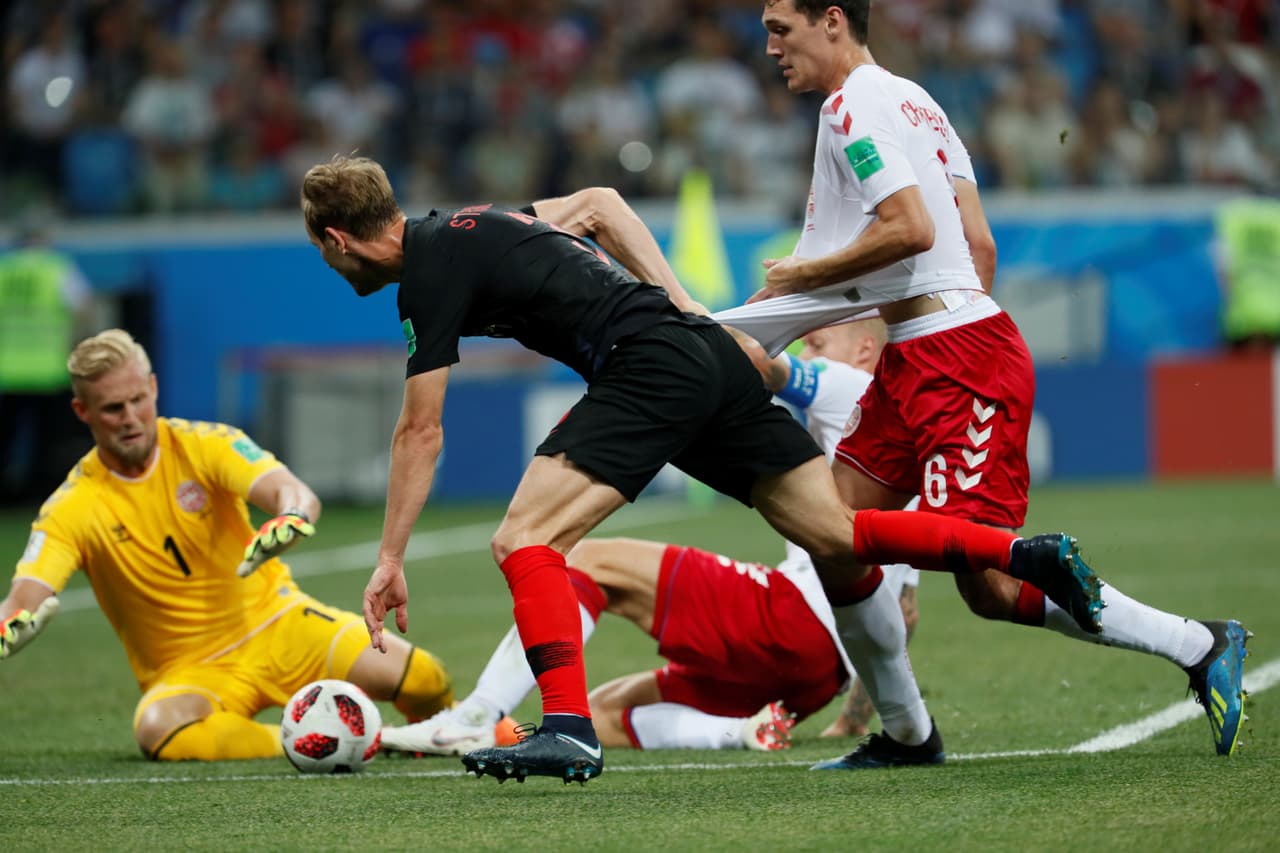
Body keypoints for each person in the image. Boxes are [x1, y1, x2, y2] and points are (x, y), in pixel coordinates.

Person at [300, 155, 1102, 785]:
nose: (336, 272)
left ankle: (569, 730)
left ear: (338, 241)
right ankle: (1016, 554)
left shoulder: (426, 274)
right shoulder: (482, 221)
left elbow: (420, 429)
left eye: (327, 257)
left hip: (644, 364)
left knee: (524, 538)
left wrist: (391, 558)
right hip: (706, 356)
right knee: (834, 532)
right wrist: (686, 306)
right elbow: (602, 206)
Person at [713, 0, 1250, 764]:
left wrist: (815, 279)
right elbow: (978, 242)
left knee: (989, 583)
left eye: (779, 28)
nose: (767, 47)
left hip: (959, 362)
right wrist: (922, 322)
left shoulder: (852, 107)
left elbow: (910, 229)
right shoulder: (915, 100)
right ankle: (908, 734)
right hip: (927, 354)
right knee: (827, 530)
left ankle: (1200, 643)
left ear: (832, 20)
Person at [376, 318, 915, 756]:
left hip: (792, 617)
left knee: (581, 561)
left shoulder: (854, 386)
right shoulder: (897, 458)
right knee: (607, 711)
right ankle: (741, 733)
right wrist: (856, 714)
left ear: (866, 348)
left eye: (819, 339)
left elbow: (758, 361)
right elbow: (902, 616)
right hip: (820, 678)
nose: (807, 344)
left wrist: (672, 321)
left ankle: (476, 716)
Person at [0, 329, 455, 761]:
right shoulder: (71, 506)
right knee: (158, 728)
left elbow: (291, 492)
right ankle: (322, 739)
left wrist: (291, 516)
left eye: (138, 400)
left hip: (280, 624)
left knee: (424, 679)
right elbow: (25, 595)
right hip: (190, 670)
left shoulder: (205, 445)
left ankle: (449, 732)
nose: (131, 418)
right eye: (113, 408)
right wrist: (11, 623)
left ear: (154, 387)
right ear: (83, 412)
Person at [0, 211, 94, 504]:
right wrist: (74, 343)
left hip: (8, 369)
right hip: (48, 368)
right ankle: (40, 494)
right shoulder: (57, 269)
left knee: (6, 438)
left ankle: (5, 495)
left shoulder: (4, 270)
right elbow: (84, 308)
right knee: (46, 439)